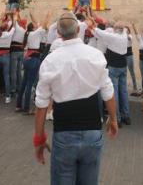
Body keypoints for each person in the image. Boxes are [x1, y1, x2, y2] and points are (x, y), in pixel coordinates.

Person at [33, 12, 117, 185]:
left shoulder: (50, 61)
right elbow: (107, 91)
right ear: (78, 29)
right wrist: (113, 119)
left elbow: (41, 104)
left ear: (58, 33)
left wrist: (39, 138)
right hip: (92, 131)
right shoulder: (95, 55)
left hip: (64, 132)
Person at [93, 21, 130, 127]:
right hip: (123, 66)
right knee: (123, 91)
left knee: (114, 93)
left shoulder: (113, 37)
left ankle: (117, 118)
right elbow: (123, 28)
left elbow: (97, 30)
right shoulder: (124, 34)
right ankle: (126, 116)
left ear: (115, 29)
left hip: (114, 67)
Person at [16, 15, 49, 115]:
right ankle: (26, 108)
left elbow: (40, 25)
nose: (37, 24)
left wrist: (32, 15)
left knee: (24, 83)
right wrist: (47, 16)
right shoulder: (35, 33)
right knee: (29, 84)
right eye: (35, 25)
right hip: (33, 59)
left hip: (27, 59)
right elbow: (43, 25)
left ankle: (18, 106)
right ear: (34, 27)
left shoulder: (30, 33)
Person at [10, 13, 28, 96]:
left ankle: (13, 89)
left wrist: (16, 15)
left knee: (13, 71)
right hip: (21, 51)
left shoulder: (17, 28)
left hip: (14, 51)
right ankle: (19, 87)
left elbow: (14, 21)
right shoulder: (25, 31)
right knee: (18, 71)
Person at [126, 28, 139, 95]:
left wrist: (126, 34)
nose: (125, 31)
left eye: (126, 30)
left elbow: (129, 38)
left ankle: (135, 87)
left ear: (128, 31)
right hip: (123, 55)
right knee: (124, 71)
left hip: (129, 55)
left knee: (131, 71)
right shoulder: (121, 37)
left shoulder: (130, 35)